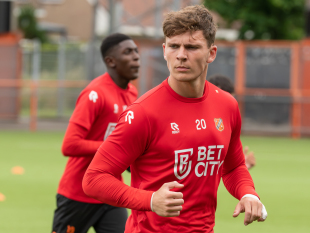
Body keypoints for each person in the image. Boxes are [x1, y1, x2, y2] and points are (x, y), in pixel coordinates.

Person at [83, 5, 267, 232]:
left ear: (211, 53)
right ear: (164, 50)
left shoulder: (227, 105)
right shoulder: (143, 113)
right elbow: (94, 179)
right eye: (174, 46)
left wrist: (248, 193)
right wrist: (149, 200)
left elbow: (233, 166)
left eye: (191, 47)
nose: (181, 55)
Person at [52, 33, 140, 233]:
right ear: (111, 61)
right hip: (78, 193)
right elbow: (70, 145)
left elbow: (126, 140)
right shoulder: (95, 93)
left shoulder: (132, 93)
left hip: (111, 190)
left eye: (136, 51)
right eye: (128, 52)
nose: (136, 56)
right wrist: (113, 148)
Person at [207, 74, 256, 169]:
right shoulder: (196, 120)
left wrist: (238, 166)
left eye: (232, 99)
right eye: (227, 99)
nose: (230, 104)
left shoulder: (226, 123)